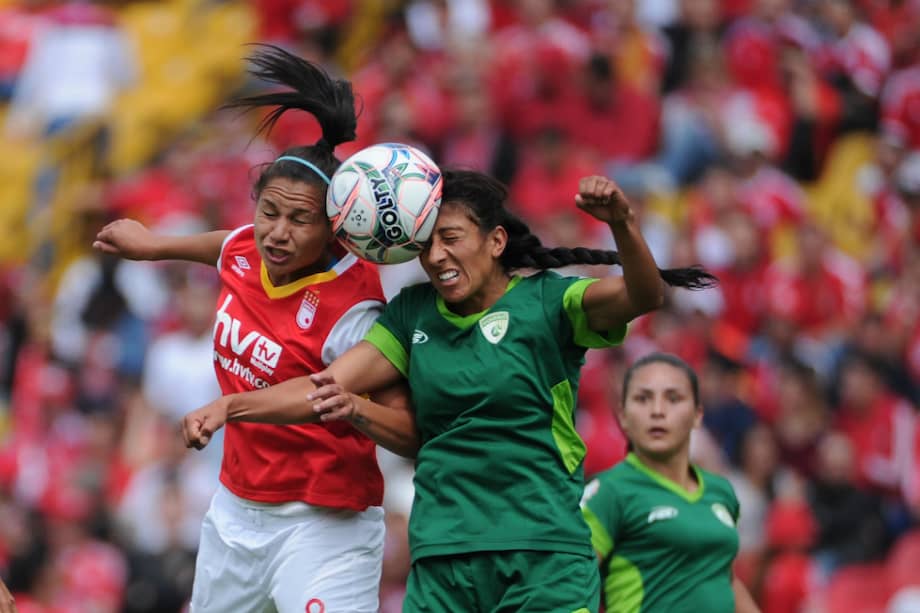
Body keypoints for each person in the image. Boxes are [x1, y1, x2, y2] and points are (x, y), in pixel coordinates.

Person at [181, 169, 718, 611]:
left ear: (496, 241)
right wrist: (233, 407)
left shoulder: (549, 303)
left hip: (542, 552)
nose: (436, 256)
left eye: (451, 238)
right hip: (443, 558)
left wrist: (622, 223)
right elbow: (324, 386)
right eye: (426, 244)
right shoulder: (411, 313)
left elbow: (645, 296)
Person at [93, 46, 407, 613]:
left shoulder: (356, 307)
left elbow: (393, 421)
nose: (277, 233)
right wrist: (153, 246)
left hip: (324, 522)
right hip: (235, 512)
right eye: (269, 212)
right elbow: (228, 243)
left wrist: (229, 408)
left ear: (335, 229)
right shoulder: (247, 250)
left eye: (299, 219)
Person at [580, 352, 760, 613]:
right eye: (643, 399)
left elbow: (722, 575)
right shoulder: (607, 492)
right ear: (623, 416)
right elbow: (568, 582)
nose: (657, 411)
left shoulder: (720, 491)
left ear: (698, 414)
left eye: (673, 398)